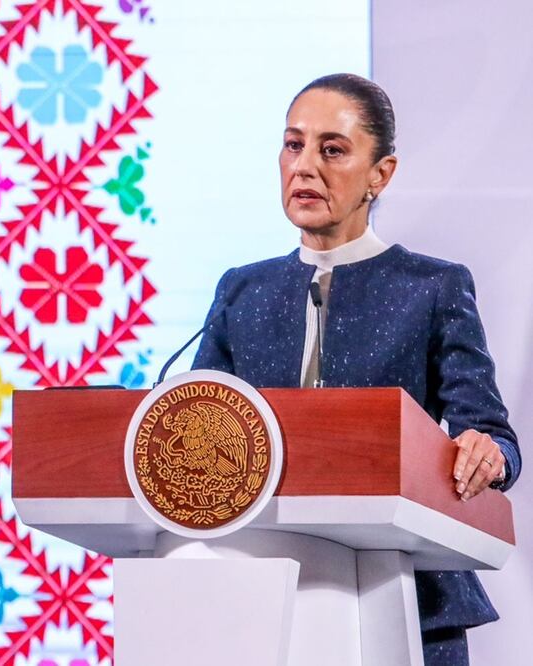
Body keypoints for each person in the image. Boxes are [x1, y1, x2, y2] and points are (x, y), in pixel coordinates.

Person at [191, 73, 521, 666]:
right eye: (293, 145)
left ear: (380, 174)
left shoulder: (433, 286)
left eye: (332, 149)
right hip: (256, 601)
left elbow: (491, 434)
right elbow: (192, 425)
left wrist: (487, 452)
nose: (305, 166)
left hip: (410, 601)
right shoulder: (242, 289)